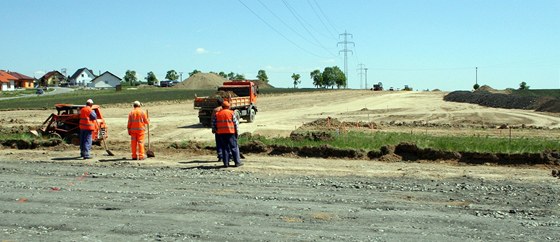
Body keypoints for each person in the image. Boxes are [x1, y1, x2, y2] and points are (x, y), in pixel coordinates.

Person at [213, 101, 242, 167]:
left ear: (222, 107)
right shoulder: (231, 113)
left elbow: (214, 123)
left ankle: (226, 163)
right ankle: (237, 162)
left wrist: (215, 130)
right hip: (231, 132)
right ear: (228, 106)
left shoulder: (217, 114)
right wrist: (237, 132)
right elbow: (235, 123)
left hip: (221, 133)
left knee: (224, 148)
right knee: (234, 147)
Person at [211, 97, 224, 162]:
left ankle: (220, 156)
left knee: (219, 143)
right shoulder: (225, 109)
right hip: (225, 130)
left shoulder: (215, 110)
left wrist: (213, 129)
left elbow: (213, 120)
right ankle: (228, 156)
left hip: (218, 129)